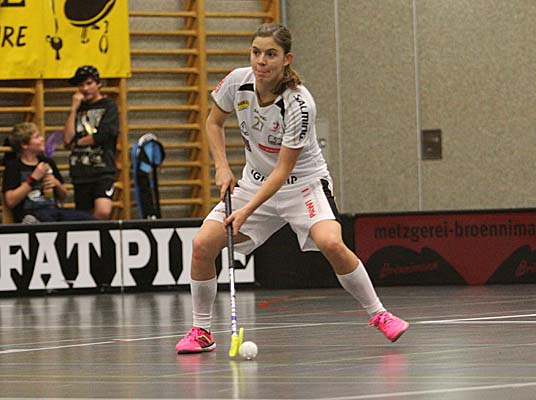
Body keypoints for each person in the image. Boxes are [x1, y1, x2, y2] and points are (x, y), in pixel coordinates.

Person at [176, 23, 409, 354]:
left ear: (287, 59)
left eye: (271, 54)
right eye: (256, 52)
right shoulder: (237, 82)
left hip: (303, 186)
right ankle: (202, 331)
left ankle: (380, 315)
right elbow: (213, 122)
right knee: (202, 245)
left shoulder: (299, 104)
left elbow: (283, 170)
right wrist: (222, 166)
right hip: (254, 183)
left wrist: (246, 211)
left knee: (331, 242)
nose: (261, 61)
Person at [1, 122, 96, 223]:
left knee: (88, 220)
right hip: (30, 213)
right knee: (41, 218)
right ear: (24, 145)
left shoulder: (47, 162)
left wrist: (56, 183)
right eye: (37, 137)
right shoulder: (14, 167)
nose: (42, 139)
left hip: (53, 211)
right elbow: (10, 201)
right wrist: (33, 178)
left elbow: (63, 196)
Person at [63, 65, 118, 220]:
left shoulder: (108, 106)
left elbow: (103, 134)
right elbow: (67, 139)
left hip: (102, 169)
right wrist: (73, 109)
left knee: (103, 211)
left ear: (98, 84)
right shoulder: (78, 109)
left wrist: (78, 142)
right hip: (80, 171)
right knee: (84, 217)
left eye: (89, 83)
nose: (85, 89)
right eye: (81, 85)